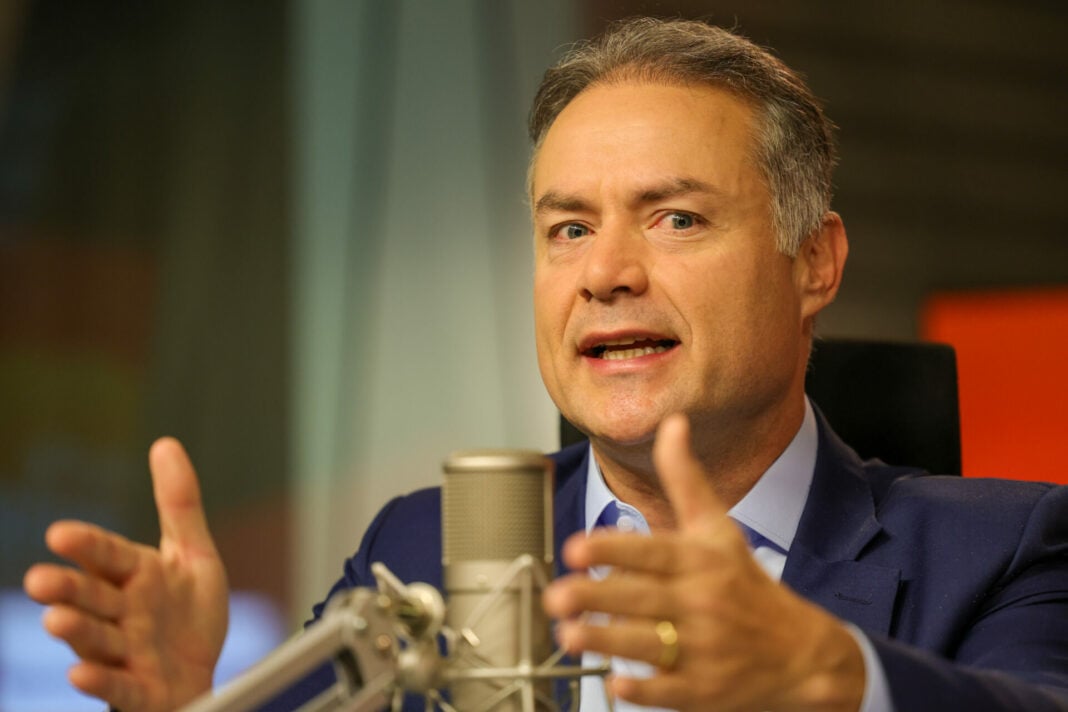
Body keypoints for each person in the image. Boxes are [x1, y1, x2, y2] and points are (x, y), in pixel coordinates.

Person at [23, 17, 1068, 712]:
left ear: (815, 263)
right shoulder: (422, 547)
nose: (605, 273)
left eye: (675, 217)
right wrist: (192, 700)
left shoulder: (1005, 549)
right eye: (568, 230)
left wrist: (831, 677)